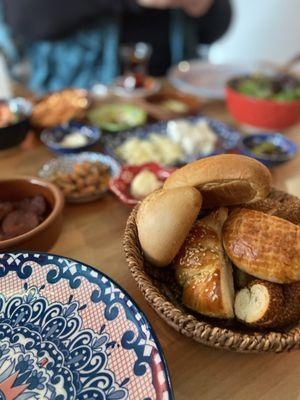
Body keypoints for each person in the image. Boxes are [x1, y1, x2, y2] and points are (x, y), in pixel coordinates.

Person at [2, 0, 231, 93]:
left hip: (171, 98)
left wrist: (201, 4)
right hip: (78, 101)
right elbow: (24, 17)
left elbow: (214, 30)